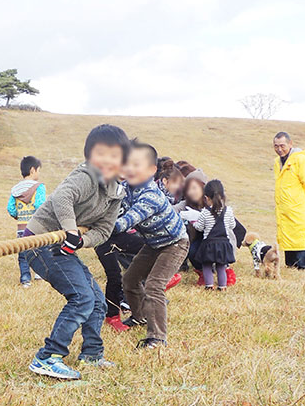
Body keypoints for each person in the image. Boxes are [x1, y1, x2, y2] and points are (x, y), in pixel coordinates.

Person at [22, 124, 128, 380]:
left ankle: (92, 354)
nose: (106, 160)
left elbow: (103, 230)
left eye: (114, 155)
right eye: (100, 154)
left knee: (97, 300)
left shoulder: (116, 193)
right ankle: (47, 357)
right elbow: (62, 198)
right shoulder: (86, 175)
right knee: (81, 298)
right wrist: (70, 230)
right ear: (90, 156)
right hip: (40, 242)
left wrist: (82, 241)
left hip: (64, 245)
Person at [117, 141, 189, 348]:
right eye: (127, 164)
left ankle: (157, 337)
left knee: (154, 285)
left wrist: (105, 227)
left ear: (151, 170)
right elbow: (110, 199)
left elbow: (129, 219)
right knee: (130, 279)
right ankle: (139, 317)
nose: (130, 169)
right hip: (153, 243)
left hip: (175, 243)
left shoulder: (150, 195)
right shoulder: (125, 188)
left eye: (136, 165)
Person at [273, 132, 305, 270]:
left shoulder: (300, 160)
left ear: (290, 144)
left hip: (297, 207)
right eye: (276, 146)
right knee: (288, 236)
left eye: (282, 146)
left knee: (300, 237)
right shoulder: (277, 162)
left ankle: (304, 266)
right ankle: (291, 265)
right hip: (284, 209)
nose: (279, 149)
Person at [6, 155, 47, 287]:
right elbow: (40, 205)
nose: (39, 173)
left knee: (23, 253)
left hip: (22, 227)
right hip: (36, 227)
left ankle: (25, 279)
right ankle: (39, 274)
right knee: (39, 250)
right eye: (38, 170)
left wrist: (19, 216)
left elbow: (10, 208)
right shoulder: (39, 187)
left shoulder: (16, 189)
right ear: (32, 170)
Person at [94, 227, 143, 332]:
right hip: (102, 237)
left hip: (121, 233)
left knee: (149, 245)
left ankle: (158, 281)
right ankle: (112, 316)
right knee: (114, 276)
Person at [191, 179, 237, 290]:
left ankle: (209, 285)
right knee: (221, 266)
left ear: (206, 198)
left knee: (206, 265)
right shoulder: (228, 211)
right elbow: (232, 225)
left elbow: (200, 227)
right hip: (223, 243)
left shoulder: (205, 212)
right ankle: (222, 286)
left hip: (209, 244)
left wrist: (194, 223)